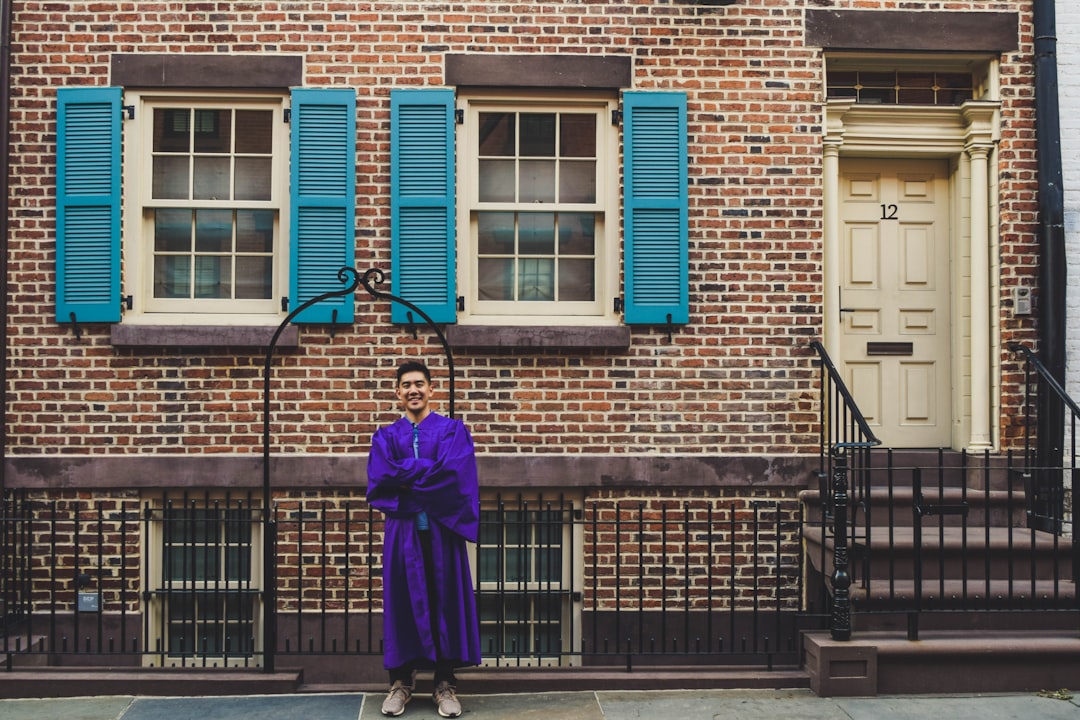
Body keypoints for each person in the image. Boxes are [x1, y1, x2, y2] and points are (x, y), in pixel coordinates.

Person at [366, 360, 481, 718]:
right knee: (403, 606)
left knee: (445, 604)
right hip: (403, 536)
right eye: (406, 385)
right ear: (397, 393)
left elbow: (454, 477)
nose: (414, 390)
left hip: (442, 534)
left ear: (431, 389)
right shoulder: (385, 436)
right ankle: (400, 683)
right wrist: (426, 473)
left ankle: (444, 685)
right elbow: (381, 476)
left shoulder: (452, 431)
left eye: (420, 383)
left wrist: (408, 478)